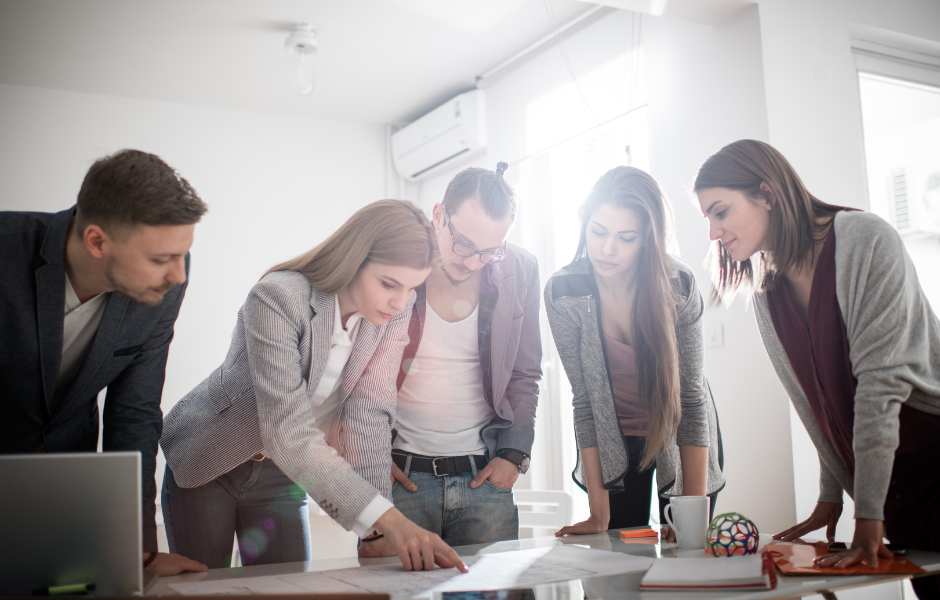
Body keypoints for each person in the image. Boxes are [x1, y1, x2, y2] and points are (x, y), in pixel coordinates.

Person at [160, 199, 467, 573]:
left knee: (290, 591)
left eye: (410, 289)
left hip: (283, 473)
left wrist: (376, 532)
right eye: (389, 284)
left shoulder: (392, 313)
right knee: (204, 590)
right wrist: (392, 521)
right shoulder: (278, 296)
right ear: (355, 258)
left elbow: (368, 413)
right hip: (211, 460)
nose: (400, 301)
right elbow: (287, 430)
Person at [695, 139, 940, 598]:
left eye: (720, 212)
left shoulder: (865, 239)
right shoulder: (767, 291)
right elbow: (821, 404)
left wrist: (867, 516)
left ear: (766, 195)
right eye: (707, 217)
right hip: (894, 484)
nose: (713, 233)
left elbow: (880, 387)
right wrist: (832, 496)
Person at [0, 149, 209, 575]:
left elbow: (134, 413)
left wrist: (137, 551)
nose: (178, 276)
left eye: (181, 254)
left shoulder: (165, 281)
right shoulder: (7, 247)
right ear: (96, 240)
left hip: (66, 489)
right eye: (159, 259)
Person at [361, 163, 541, 552]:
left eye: (489, 252)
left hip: (485, 481)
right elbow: (359, 373)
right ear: (439, 215)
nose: (472, 261)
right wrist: (370, 458)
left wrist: (513, 454)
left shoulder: (521, 269)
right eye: (463, 244)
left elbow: (525, 374)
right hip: (399, 478)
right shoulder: (398, 266)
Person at [545, 166, 724, 537]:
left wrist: (692, 516)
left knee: (686, 557)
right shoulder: (564, 292)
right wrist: (598, 513)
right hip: (616, 440)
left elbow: (691, 402)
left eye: (625, 238)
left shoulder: (679, 285)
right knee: (621, 562)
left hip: (680, 432)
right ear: (584, 224)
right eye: (598, 232)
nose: (607, 249)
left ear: (647, 238)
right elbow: (585, 404)